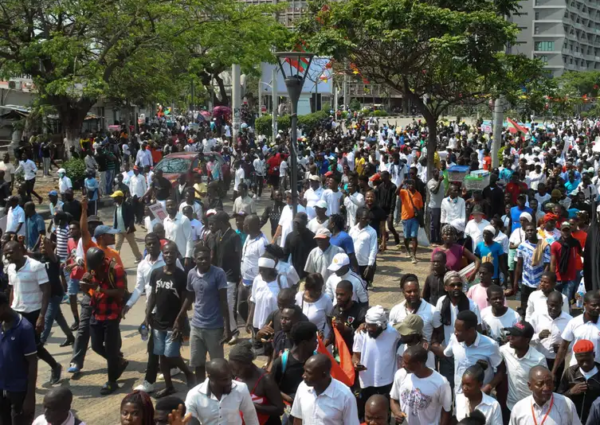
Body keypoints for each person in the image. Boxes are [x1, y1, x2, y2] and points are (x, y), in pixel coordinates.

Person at [5, 240, 63, 384]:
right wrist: (10, 308)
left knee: (34, 346)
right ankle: (24, 376)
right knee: (19, 345)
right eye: (6, 253)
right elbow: (13, 288)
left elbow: (46, 290)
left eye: (10, 252)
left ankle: (55, 366)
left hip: (33, 312)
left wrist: (41, 316)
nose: (7, 256)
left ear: (20, 250)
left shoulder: (36, 266)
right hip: (17, 312)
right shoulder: (10, 268)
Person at [145, 241, 195, 398]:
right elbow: (153, 295)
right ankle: (169, 386)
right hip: (158, 321)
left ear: (176, 254)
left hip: (174, 321)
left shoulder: (181, 276)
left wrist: (179, 320)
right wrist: (147, 314)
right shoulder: (156, 273)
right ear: (162, 253)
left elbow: (186, 300)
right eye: (166, 252)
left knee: (172, 354)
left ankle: (188, 372)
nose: (168, 255)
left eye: (172, 252)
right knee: (161, 354)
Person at [180, 244, 232, 382]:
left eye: (206, 258)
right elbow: (189, 297)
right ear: (194, 259)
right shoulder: (191, 274)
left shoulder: (218, 273)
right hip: (196, 326)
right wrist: (179, 318)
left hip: (214, 328)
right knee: (198, 363)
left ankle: (220, 390)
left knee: (218, 366)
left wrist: (227, 329)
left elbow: (223, 302)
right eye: (200, 258)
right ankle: (201, 390)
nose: (204, 261)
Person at [82, 246, 128, 395]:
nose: (92, 269)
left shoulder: (116, 269)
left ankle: (112, 382)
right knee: (95, 346)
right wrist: (85, 285)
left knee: (110, 348)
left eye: (94, 266)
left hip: (112, 313)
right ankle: (118, 362)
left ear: (102, 261)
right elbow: (88, 287)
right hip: (97, 311)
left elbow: (120, 293)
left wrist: (99, 289)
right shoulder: (93, 268)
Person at [440, 310, 503, 396]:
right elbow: (446, 353)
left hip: (482, 396)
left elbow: (501, 370)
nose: (455, 333)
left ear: (471, 330)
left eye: (459, 330)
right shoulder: (454, 339)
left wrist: (488, 387)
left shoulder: (490, 345)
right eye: (455, 329)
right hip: (460, 395)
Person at [353, 305, 400, 417]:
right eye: (367, 324)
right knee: (367, 413)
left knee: (384, 413)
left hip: (387, 381)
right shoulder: (361, 333)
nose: (369, 328)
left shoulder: (394, 333)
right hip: (366, 381)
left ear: (382, 324)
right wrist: (356, 363)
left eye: (373, 326)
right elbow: (355, 355)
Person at [0, 291, 38, 425]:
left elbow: (33, 362)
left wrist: (30, 397)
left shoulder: (24, 328)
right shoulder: (1, 323)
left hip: (19, 391)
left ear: (3, 307)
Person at [290, 353, 360, 425]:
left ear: (324, 374)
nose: (303, 375)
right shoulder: (302, 387)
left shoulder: (345, 396)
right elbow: (298, 419)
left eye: (309, 373)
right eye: (304, 371)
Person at [185, 358, 260, 425]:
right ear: (210, 378)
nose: (229, 382)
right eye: (224, 380)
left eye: (230, 377)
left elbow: (250, 416)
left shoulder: (241, 388)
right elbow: (189, 420)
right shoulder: (194, 395)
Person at [390, 345, 452, 425]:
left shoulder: (441, 382)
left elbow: (446, 410)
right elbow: (393, 399)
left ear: (418, 364)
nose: (403, 365)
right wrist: (397, 412)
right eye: (403, 361)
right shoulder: (400, 375)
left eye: (406, 363)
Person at [229, 341, 285, 425]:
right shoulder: (237, 375)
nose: (234, 372)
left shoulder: (266, 380)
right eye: (232, 368)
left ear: (248, 364)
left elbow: (279, 409)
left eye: (237, 369)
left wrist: (251, 405)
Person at [500, 321, 548, 418]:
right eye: (511, 334)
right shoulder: (505, 350)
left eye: (516, 335)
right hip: (511, 406)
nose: (511, 337)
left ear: (527, 340)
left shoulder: (538, 359)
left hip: (531, 409)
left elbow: (544, 386)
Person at [509, 366, 581, 425]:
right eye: (540, 384)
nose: (546, 388)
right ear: (530, 386)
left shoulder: (566, 404)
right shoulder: (519, 409)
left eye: (549, 383)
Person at [552, 291, 600, 377]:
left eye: (599, 305)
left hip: (597, 370)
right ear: (585, 304)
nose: (597, 308)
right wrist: (553, 371)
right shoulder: (574, 322)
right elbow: (563, 348)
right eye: (594, 305)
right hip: (576, 369)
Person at [389, 274, 442, 349]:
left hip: (425, 355)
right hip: (402, 355)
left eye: (415, 291)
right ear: (403, 292)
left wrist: (432, 345)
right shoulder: (396, 310)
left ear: (419, 290)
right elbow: (392, 331)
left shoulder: (433, 311)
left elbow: (439, 331)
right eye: (409, 291)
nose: (413, 294)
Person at [530, 291, 572, 383]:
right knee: (538, 384)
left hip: (557, 362)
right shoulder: (537, 316)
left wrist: (564, 347)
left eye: (556, 306)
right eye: (551, 305)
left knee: (554, 385)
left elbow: (573, 344)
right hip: (538, 359)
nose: (553, 308)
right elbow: (527, 338)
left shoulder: (569, 321)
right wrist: (538, 336)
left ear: (562, 304)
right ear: (547, 303)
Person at [213, 211, 242, 344]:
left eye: (216, 222)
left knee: (229, 305)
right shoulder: (218, 234)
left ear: (222, 222)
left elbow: (239, 256)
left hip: (231, 276)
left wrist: (239, 275)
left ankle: (234, 331)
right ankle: (226, 330)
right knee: (221, 304)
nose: (213, 224)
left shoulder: (234, 236)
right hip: (220, 274)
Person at [510, 222, 551, 313]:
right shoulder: (522, 246)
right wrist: (516, 282)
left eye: (532, 230)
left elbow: (547, 265)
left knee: (538, 308)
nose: (529, 232)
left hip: (539, 282)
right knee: (525, 307)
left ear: (536, 231)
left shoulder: (544, 246)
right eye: (527, 230)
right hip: (526, 282)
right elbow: (519, 265)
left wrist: (542, 282)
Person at [557, 339, 600, 423]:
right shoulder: (570, 373)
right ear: (576, 358)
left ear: (594, 355)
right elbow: (558, 397)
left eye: (588, 360)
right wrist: (571, 392)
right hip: (573, 420)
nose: (585, 364)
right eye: (581, 361)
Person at [247, 256, 289, 339]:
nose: (260, 272)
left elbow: (287, 302)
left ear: (270, 270)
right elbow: (253, 301)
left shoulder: (281, 280)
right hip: (258, 324)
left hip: (275, 325)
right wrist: (249, 320)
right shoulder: (257, 280)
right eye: (260, 269)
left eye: (263, 270)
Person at [550, 221, 582, 301]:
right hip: (558, 277)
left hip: (570, 277)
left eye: (567, 230)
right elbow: (553, 263)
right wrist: (552, 276)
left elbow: (581, 253)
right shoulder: (555, 244)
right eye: (564, 230)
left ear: (570, 230)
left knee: (566, 300)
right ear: (560, 231)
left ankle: (566, 312)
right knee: (556, 299)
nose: (565, 232)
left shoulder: (575, 243)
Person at [349, 207, 378, 287]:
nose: (367, 220)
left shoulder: (372, 232)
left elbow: (373, 249)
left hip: (364, 265)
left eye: (368, 218)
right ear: (358, 218)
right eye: (364, 218)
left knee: (363, 287)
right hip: (353, 263)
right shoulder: (352, 230)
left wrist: (369, 265)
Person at [111, 190, 143, 262]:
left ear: (120, 198)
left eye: (115, 197)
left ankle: (139, 257)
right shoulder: (116, 206)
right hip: (119, 231)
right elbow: (115, 218)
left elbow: (132, 217)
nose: (113, 199)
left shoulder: (127, 205)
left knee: (133, 244)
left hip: (127, 230)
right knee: (117, 246)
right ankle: (116, 260)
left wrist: (130, 226)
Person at [283, 212, 316, 280]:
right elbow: (285, 256)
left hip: (309, 274)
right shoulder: (290, 237)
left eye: (299, 223)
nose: (297, 225)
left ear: (306, 223)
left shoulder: (313, 237)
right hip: (294, 273)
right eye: (295, 222)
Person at [398, 179, 423, 263]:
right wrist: (402, 184)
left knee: (414, 236)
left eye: (412, 184)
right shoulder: (404, 192)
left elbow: (420, 207)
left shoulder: (418, 194)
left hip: (414, 219)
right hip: (405, 218)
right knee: (406, 238)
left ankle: (413, 255)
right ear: (407, 185)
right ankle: (407, 249)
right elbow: (396, 192)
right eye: (409, 184)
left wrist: (420, 217)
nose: (411, 185)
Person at [164, 199, 194, 267]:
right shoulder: (165, 220)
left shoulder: (184, 219)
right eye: (168, 205)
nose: (170, 207)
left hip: (182, 256)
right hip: (170, 256)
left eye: (172, 205)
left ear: (176, 206)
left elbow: (189, 239)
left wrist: (187, 256)